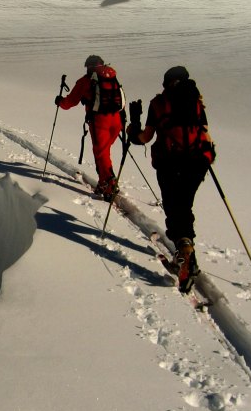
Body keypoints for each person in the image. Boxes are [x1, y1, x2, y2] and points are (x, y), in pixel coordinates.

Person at [126, 66, 216, 292]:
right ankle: (188, 253)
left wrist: (132, 128)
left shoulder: (158, 103)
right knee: (184, 206)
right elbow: (204, 132)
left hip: (170, 163)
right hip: (197, 163)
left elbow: (145, 137)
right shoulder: (196, 100)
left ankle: (184, 257)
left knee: (174, 208)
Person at [55, 55, 125, 200]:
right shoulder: (112, 77)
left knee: (101, 153)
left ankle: (110, 184)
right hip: (117, 120)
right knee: (104, 152)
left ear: (89, 66)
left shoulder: (86, 81)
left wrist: (60, 101)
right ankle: (102, 182)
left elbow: (70, 102)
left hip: (100, 121)